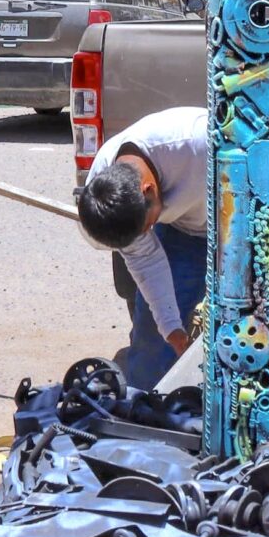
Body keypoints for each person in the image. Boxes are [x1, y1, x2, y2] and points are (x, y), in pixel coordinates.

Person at [74, 105, 208, 390]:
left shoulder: (198, 143)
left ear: (148, 190)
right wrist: (171, 328)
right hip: (185, 232)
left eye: (147, 226)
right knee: (154, 344)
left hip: (245, 228)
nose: (146, 234)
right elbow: (145, 259)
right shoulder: (104, 192)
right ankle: (146, 417)